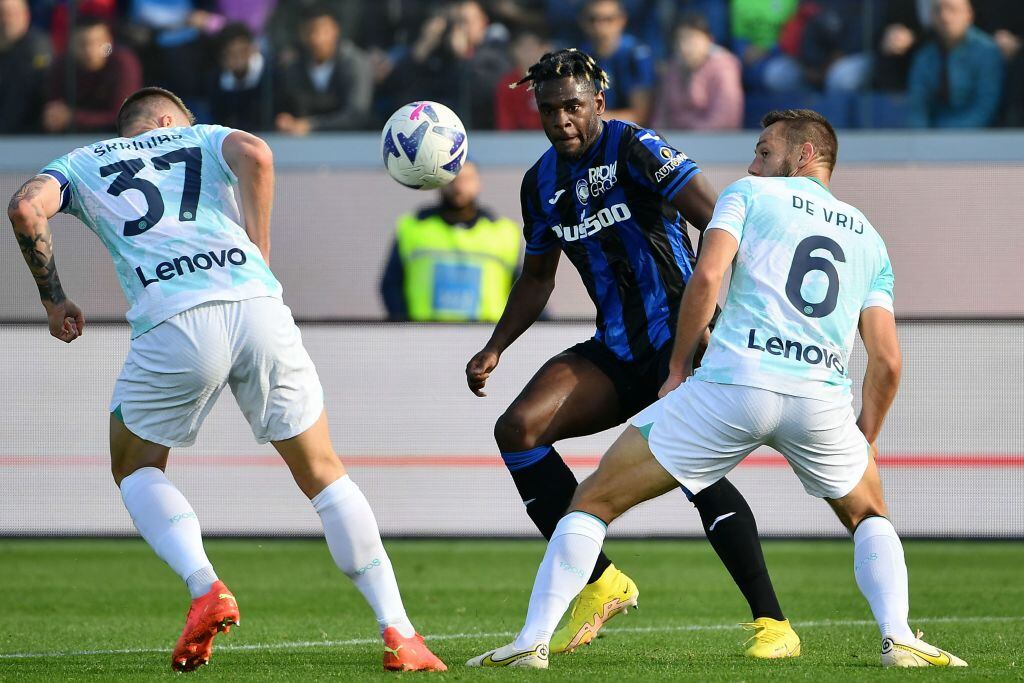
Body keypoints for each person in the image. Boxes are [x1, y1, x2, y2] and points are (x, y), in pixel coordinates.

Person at [468, 108, 968, 669]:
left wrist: (679, 369)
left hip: (735, 382)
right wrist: (865, 439)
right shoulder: (869, 239)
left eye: (763, 151)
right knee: (869, 514)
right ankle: (898, 637)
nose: (753, 162)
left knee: (592, 500)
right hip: (819, 398)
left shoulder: (749, 195)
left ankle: (531, 643)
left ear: (803, 156)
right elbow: (888, 360)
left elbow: (705, 279)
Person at [7, 86, 446, 674]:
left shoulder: (80, 163)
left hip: (175, 319)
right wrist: (258, 251)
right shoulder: (200, 136)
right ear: (168, 120)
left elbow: (24, 208)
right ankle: (401, 632)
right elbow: (259, 155)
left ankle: (205, 586)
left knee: (134, 465)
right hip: (257, 304)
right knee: (322, 472)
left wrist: (54, 299)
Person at [465, 48, 798, 659]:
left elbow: (718, 219)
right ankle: (602, 581)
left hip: (684, 343)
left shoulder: (637, 146)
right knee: (519, 428)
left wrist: (716, 321)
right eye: (548, 110)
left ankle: (773, 625)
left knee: (699, 477)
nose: (561, 120)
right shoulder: (538, 183)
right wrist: (495, 346)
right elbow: (538, 277)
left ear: (597, 100)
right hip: (616, 349)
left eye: (572, 106)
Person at [379, 161, 521, 322]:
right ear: (438, 181)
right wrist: (406, 329)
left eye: (466, 179)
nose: (459, 186)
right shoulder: (412, 227)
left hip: (487, 340)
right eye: (451, 179)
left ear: (478, 183)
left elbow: (526, 290)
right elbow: (391, 286)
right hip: (425, 338)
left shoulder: (504, 232)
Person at [275, 4, 372, 134]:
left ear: (335, 30)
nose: (316, 38)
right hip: (305, 147)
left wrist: (311, 125)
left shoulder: (355, 63)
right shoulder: (294, 68)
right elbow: (289, 109)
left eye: (322, 30)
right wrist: (285, 121)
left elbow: (357, 115)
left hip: (353, 142)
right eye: (309, 31)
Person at [907, 0, 1004, 128]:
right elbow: (917, 107)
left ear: (969, 15)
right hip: (933, 140)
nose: (945, 17)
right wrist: (924, 139)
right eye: (938, 10)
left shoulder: (988, 52)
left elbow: (986, 107)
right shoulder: (924, 57)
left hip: (979, 138)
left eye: (952, 9)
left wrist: (951, 137)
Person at [43, 16, 142, 134]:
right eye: (82, 44)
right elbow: (55, 110)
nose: (90, 50)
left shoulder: (124, 62)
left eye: (98, 42)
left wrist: (73, 117)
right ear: (70, 44)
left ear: (109, 41)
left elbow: (124, 116)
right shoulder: (61, 65)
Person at [650, 13, 743, 130]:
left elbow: (724, 120)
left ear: (709, 40)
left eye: (691, 39)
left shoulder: (725, 68)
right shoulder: (672, 68)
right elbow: (661, 116)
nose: (684, 46)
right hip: (672, 143)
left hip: (713, 143)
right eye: (680, 39)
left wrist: (689, 137)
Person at [578, 0, 655, 124]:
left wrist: (590, 117)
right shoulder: (580, 57)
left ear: (622, 20)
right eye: (593, 19)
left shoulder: (636, 55)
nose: (599, 26)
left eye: (608, 19)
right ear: (582, 22)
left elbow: (639, 116)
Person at [0, 0, 52, 133]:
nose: (7, 20)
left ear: (26, 15)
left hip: (29, 137)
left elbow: (21, 100)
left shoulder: (37, 48)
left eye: (12, 14)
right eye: (2, 14)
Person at [209, 22, 273, 131]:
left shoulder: (273, 74)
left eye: (243, 51)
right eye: (232, 53)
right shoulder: (215, 80)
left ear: (254, 48)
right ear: (222, 57)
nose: (239, 59)